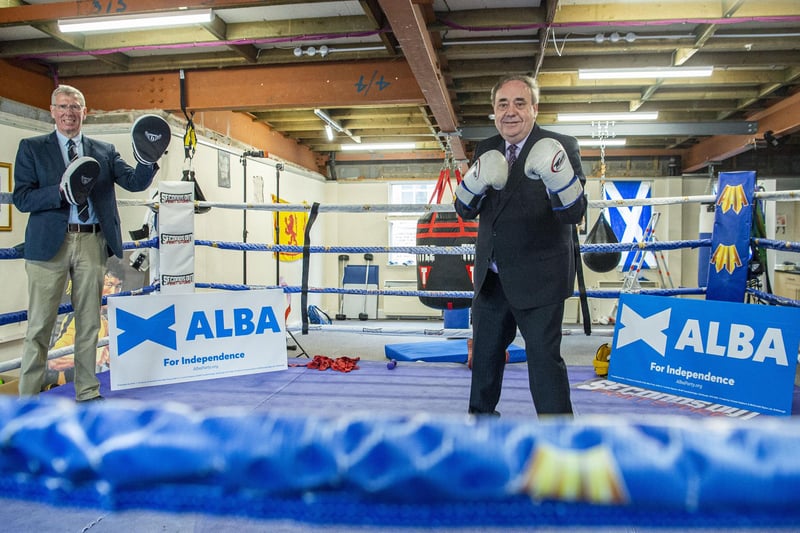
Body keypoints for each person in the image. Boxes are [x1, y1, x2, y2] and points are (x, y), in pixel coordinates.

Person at [13, 84, 162, 402]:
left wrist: (149, 157)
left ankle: (87, 389)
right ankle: (27, 399)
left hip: (92, 240)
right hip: (49, 245)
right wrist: (60, 192)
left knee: (90, 321)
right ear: (52, 111)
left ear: (85, 112)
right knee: (40, 324)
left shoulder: (103, 150)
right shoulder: (32, 147)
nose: (68, 112)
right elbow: (22, 198)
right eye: (62, 106)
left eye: (74, 107)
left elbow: (134, 182)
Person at [454, 75, 587, 417]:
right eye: (502, 104)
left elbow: (575, 212)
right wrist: (473, 185)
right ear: (493, 111)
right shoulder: (486, 148)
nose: (510, 112)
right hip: (492, 279)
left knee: (544, 367)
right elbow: (465, 211)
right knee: (483, 367)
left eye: (519, 103)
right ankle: (481, 438)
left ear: (534, 108)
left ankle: (559, 444)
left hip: (540, 279)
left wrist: (556, 180)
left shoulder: (561, 145)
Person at [44, 264, 126, 388]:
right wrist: (91, 357)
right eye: (109, 285)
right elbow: (53, 361)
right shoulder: (76, 317)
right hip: (65, 391)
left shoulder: (105, 321)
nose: (113, 292)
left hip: (91, 386)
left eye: (118, 286)